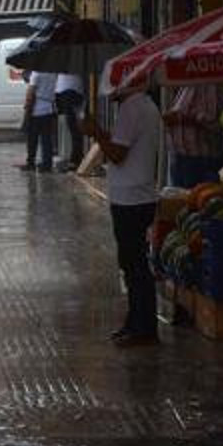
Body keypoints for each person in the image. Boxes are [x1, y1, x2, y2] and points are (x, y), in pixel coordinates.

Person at [83, 88, 162, 348]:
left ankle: (143, 327)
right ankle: (135, 322)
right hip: (138, 195)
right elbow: (120, 147)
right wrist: (102, 133)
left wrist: (96, 132)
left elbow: (117, 154)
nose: (109, 90)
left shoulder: (132, 108)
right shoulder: (145, 105)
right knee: (133, 263)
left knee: (134, 264)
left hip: (131, 198)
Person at [161, 84, 223, 188]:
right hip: (179, 157)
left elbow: (212, 120)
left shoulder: (209, 84)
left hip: (199, 159)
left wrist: (180, 118)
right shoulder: (186, 84)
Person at [21, 70, 58, 172]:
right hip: (49, 109)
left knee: (32, 138)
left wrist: (27, 107)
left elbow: (30, 93)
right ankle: (47, 165)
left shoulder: (36, 73)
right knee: (47, 139)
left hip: (36, 111)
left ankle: (30, 163)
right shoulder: (53, 73)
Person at [55, 73, 85, 171]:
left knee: (74, 129)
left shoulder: (70, 64)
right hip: (68, 92)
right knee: (71, 128)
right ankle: (74, 158)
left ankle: (75, 159)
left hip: (69, 92)